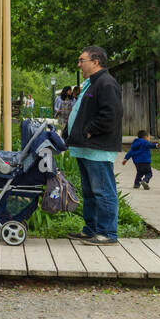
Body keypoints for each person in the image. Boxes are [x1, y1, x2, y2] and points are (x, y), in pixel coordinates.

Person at [65, 46, 123, 244]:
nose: (79, 64)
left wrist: (89, 130)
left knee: (103, 191)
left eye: (82, 60)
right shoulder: (91, 84)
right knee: (89, 192)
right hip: (85, 147)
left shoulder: (106, 83)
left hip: (97, 147)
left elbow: (111, 115)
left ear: (96, 61)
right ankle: (91, 229)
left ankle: (107, 233)